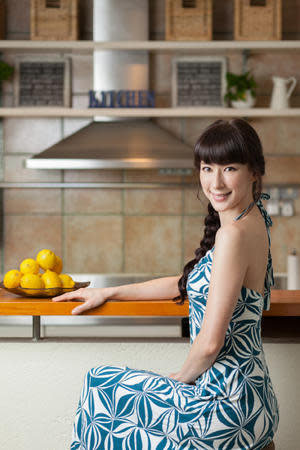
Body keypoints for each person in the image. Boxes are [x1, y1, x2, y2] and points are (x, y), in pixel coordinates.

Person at [54, 118, 279, 449]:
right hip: (254, 398)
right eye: (206, 168)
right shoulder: (255, 219)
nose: (215, 182)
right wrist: (110, 291)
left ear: (254, 171)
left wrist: (180, 379)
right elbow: (186, 283)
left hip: (223, 404)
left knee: (100, 385)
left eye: (229, 168)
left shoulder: (232, 234)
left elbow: (209, 344)